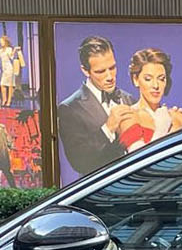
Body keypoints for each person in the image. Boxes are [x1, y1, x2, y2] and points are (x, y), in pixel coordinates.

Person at [56, 35, 136, 176]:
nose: (110, 77)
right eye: (100, 71)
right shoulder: (69, 109)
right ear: (85, 70)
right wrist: (108, 128)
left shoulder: (129, 99)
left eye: (112, 68)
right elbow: (79, 162)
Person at [117, 48, 182, 152]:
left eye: (161, 79)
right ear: (136, 79)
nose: (156, 85)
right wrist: (164, 128)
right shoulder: (128, 117)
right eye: (148, 79)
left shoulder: (176, 116)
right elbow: (139, 160)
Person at [0, 35, 23, 107]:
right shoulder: (1, 50)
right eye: (0, 42)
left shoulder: (8, 49)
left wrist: (15, 49)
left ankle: (9, 101)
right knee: (2, 84)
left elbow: (11, 56)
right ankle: (4, 100)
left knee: (10, 86)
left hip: (9, 69)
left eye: (2, 41)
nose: (1, 43)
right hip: (4, 70)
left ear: (5, 42)